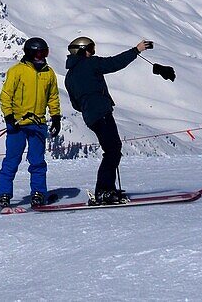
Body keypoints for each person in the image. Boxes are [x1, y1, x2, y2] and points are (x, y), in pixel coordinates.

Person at [64, 36, 152, 205]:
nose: (93, 52)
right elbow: (114, 63)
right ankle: (104, 191)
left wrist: (89, 106)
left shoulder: (69, 76)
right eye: (91, 49)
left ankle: (106, 189)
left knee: (111, 150)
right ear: (83, 50)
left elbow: (75, 104)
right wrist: (136, 50)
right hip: (102, 112)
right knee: (112, 151)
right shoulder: (90, 64)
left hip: (90, 117)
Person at [0, 37, 62, 210]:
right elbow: (6, 96)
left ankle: (38, 193)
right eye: (39, 53)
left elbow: (53, 97)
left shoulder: (49, 73)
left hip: (38, 123)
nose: (42, 57)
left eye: (45, 52)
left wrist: (55, 117)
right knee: (12, 160)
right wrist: (9, 117)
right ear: (30, 53)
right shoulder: (17, 71)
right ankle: (4, 195)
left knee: (37, 161)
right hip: (18, 123)